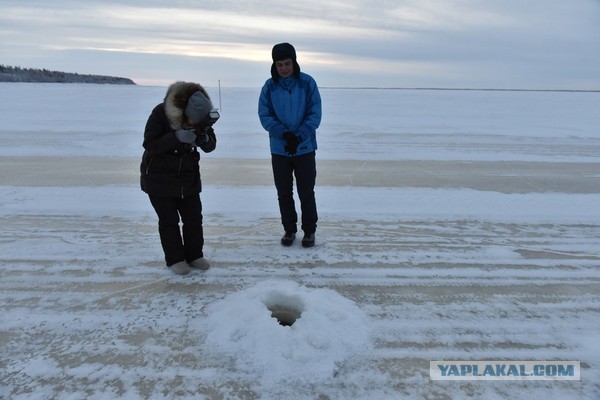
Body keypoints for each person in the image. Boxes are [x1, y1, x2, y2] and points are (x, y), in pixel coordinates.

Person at [140, 81, 217, 275]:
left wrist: (205, 138)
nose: (194, 124)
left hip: (187, 178)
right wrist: (176, 137)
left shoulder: (201, 119)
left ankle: (194, 255)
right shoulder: (160, 113)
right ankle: (175, 259)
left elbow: (211, 145)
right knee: (169, 220)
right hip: (159, 179)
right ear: (183, 111)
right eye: (191, 120)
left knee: (193, 218)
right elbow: (150, 144)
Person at [258, 42, 322, 248]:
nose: (284, 68)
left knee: (306, 191)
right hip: (279, 149)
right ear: (274, 66)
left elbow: (315, 114)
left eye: (287, 63)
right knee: (284, 192)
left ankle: (309, 231)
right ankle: (289, 229)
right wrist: (283, 134)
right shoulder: (269, 87)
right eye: (279, 64)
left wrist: (299, 134)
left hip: (304, 148)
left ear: (294, 62)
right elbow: (265, 115)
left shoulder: (307, 83)